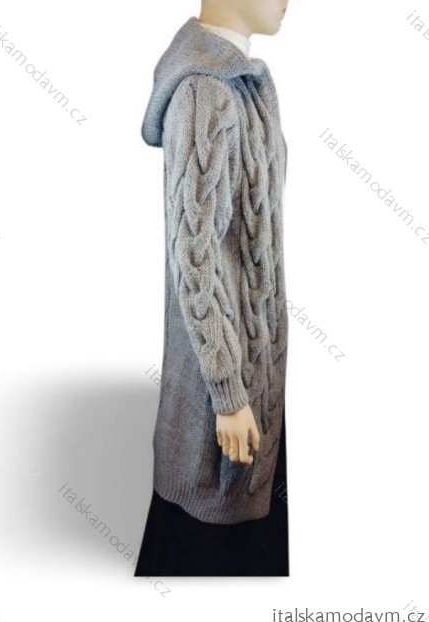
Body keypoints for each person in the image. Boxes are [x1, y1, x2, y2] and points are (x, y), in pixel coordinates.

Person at [135, 0, 290, 576]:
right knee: (204, 563)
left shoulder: (247, 86)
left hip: (256, 382)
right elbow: (194, 260)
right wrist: (228, 394)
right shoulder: (204, 94)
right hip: (222, 408)